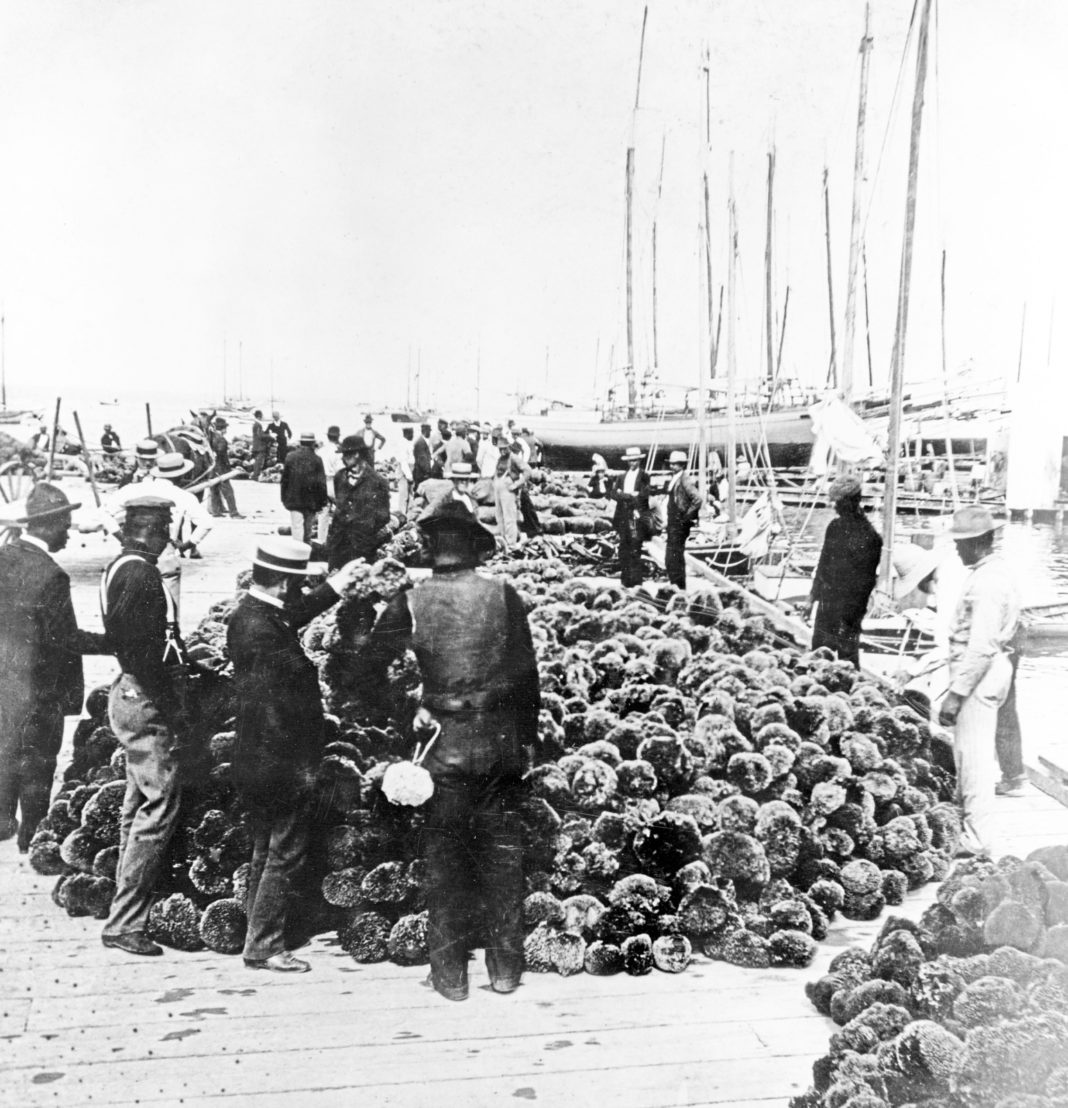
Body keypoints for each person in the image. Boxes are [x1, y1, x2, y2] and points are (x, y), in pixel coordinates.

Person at [361, 500, 540, 1001]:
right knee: (504, 860)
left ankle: (450, 977)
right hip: (499, 745)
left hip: (442, 748)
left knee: (446, 863)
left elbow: (364, 670)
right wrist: (526, 742)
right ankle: (505, 972)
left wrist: (406, 709)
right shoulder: (504, 595)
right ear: (475, 547)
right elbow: (528, 677)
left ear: (430, 548)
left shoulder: (410, 601)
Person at [228, 538, 361, 973]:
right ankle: (265, 945)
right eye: (300, 584)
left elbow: (290, 615)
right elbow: (275, 711)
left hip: (257, 756)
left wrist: (335, 587)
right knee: (284, 851)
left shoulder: (255, 614)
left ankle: (256, 930)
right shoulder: (264, 631)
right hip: (278, 759)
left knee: (266, 848)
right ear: (286, 581)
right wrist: (301, 769)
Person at [100, 498, 193, 956]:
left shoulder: (120, 567)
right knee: (160, 806)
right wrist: (173, 709)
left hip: (128, 692)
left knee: (136, 802)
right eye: (166, 531)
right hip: (145, 695)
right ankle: (125, 922)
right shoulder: (141, 574)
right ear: (154, 532)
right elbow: (142, 651)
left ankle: (123, 903)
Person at [0, 484, 108, 850]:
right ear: (51, 524)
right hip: (42, 684)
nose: (68, 532)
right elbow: (66, 638)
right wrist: (116, 641)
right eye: (66, 524)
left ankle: (2, 820)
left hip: (4, 678)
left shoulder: (4, 556)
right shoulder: (52, 575)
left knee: (6, 747)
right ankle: (32, 832)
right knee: (40, 760)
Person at [937, 506, 1021, 857]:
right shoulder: (994, 572)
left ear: (977, 543)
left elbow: (981, 645)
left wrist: (956, 695)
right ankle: (970, 829)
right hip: (992, 671)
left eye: (961, 543)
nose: (956, 549)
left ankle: (980, 840)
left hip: (980, 677)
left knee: (973, 760)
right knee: (969, 754)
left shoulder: (986, 583)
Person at [808, 475, 882, 668]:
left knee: (847, 657)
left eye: (838, 503)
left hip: (850, 606)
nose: (835, 507)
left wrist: (851, 617)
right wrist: (811, 599)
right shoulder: (834, 528)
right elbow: (823, 564)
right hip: (828, 602)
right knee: (819, 652)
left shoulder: (871, 537)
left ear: (853, 501)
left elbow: (866, 582)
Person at [325, 437, 390, 570]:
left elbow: (383, 516)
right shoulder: (340, 477)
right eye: (343, 455)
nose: (343, 458)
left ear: (357, 454)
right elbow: (339, 504)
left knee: (359, 583)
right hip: (338, 545)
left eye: (347, 455)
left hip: (362, 547)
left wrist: (365, 529)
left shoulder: (377, 482)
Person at [608, 446, 651, 587]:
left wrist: (624, 495)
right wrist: (629, 495)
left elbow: (644, 495)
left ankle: (636, 580)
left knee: (635, 547)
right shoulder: (622, 476)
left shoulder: (644, 476)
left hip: (636, 515)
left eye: (634, 461)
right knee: (623, 548)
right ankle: (626, 580)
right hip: (622, 516)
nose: (632, 463)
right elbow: (613, 494)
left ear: (639, 461)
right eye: (630, 461)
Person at [664, 450, 703, 589]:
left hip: (679, 522)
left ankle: (679, 586)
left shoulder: (684, 479)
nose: (672, 467)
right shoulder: (675, 478)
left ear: (681, 465)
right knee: (672, 556)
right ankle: (676, 584)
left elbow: (697, 499)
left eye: (675, 464)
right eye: (671, 464)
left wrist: (686, 517)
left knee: (674, 556)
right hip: (673, 522)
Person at [281, 432, 328, 544]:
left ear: (300, 443)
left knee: (297, 529)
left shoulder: (290, 457)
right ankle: (306, 554)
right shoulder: (317, 459)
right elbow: (321, 483)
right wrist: (322, 502)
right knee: (308, 531)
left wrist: (284, 499)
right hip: (311, 502)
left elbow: (284, 481)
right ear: (313, 444)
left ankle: (297, 555)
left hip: (294, 500)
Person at [207, 417, 244, 519]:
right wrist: (228, 468)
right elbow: (221, 454)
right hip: (221, 468)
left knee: (214, 489)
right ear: (223, 429)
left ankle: (216, 512)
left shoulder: (210, 437)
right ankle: (234, 513)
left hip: (212, 468)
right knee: (228, 491)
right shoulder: (221, 439)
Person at [317, 426, 344, 544]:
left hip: (321, 482)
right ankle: (338, 540)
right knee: (340, 511)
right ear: (338, 437)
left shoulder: (321, 450)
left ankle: (321, 540)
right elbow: (340, 470)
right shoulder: (338, 452)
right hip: (332, 482)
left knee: (323, 513)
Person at [493, 441, 521, 552]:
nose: (503, 451)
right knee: (499, 516)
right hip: (498, 488)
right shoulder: (500, 459)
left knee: (509, 517)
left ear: (509, 447)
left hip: (508, 490)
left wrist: (517, 484)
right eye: (501, 449)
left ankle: (511, 544)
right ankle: (503, 541)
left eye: (505, 448)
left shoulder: (514, 458)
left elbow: (527, 470)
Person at [397, 426, 415, 515]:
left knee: (409, 496)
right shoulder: (402, 444)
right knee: (404, 495)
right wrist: (409, 476)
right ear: (406, 434)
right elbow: (403, 462)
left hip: (410, 469)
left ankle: (407, 514)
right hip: (404, 472)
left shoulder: (409, 443)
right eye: (411, 433)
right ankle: (402, 515)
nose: (413, 435)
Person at [412, 424, 433, 493]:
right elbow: (422, 460)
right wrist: (428, 471)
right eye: (429, 431)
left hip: (420, 473)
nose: (430, 433)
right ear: (425, 431)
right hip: (421, 474)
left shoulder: (421, 441)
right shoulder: (421, 443)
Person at [250, 410, 269, 480]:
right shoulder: (258, 424)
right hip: (259, 446)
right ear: (259, 416)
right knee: (258, 461)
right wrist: (269, 436)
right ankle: (255, 476)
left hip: (256, 445)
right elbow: (260, 435)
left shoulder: (255, 424)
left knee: (257, 461)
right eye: (261, 416)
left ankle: (255, 475)